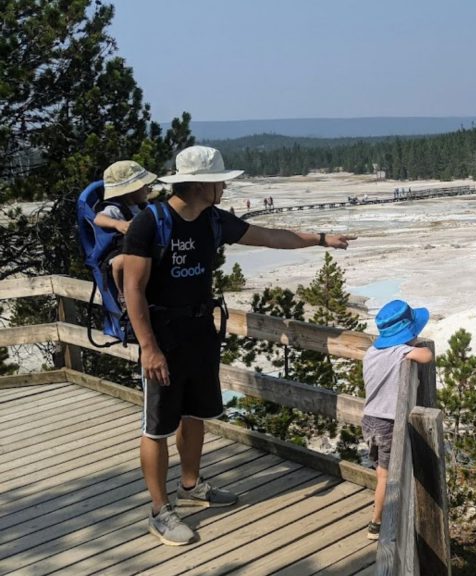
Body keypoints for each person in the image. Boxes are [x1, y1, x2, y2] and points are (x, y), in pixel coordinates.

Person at [122, 145, 357, 546]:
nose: (224, 189)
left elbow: (270, 237)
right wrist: (149, 347)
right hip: (162, 337)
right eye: (220, 183)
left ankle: (191, 488)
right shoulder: (149, 223)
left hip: (200, 331)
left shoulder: (212, 220)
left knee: (195, 413)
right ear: (201, 184)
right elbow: (133, 290)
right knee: (157, 426)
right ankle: (159, 511)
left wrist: (320, 238)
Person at [361, 299, 432, 541]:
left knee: (380, 470)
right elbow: (426, 356)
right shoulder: (400, 351)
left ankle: (382, 510)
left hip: (369, 419)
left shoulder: (371, 352)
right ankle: (377, 524)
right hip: (387, 423)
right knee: (386, 475)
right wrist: (414, 345)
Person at [93, 160, 158, 298]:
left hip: (140, 249)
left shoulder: (142, 206)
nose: (147, 188)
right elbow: (98, 218)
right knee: (119, 263)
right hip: (120, 251)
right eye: (144, 185)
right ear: (130, 190)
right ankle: (123, 295)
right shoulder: (116, 209)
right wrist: (119, 224)